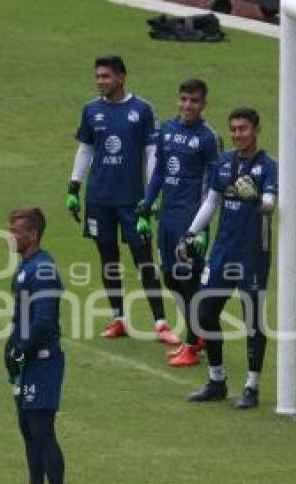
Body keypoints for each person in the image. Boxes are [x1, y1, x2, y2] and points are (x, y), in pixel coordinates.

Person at [67, 55, 180, 344]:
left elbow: (153, 152)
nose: (100, 81)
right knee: (108, 260)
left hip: (132, 200)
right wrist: (73, 187)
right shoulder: (91, 110)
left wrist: (152, 197)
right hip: (99, 198)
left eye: (105, 76)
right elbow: (86, 150)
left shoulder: (141, 110)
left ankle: (161, 323)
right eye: (97, 76)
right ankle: (118, 318)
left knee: (143, 260)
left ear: (121, 77)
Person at [178, 107, 278, 408]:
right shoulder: (223, 164)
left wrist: (257, 199)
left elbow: (271, 205)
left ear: (257, 129)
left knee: (252, 320)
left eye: (243, 129)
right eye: (233, 129)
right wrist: (191, 233)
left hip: (253, 254)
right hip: (222, 251)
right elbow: (212, 202)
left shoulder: (268, 165)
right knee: (205, 312)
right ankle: (217, 380)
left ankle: (251, 387)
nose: (237, 135)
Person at [136, 78, 222, 367]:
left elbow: (214, 186)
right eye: (184, 99)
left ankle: (193, 342)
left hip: (191, 223)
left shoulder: (208, 138)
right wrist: (147, 204)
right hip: (167, 220)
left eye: (194, 101)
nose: (187, 106)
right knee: (172, 278)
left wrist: (199, 228)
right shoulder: (167, 131)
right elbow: (159, 169)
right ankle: (197, 338)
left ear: (203, 104)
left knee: (189, 281)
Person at [0, 206, 69, 484]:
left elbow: (42, 321)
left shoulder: (43, 270)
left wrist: (21, 348)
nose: (11, 237)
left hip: (42, 361)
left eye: (16, 231)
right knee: (28, 429)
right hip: (27, 361)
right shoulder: (28, 266)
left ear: (33, 235)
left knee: (43, 431)